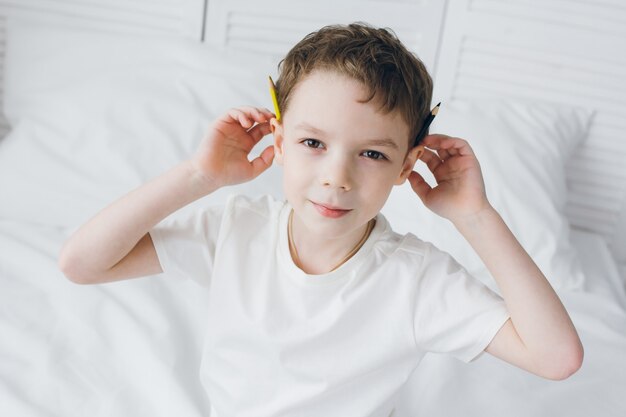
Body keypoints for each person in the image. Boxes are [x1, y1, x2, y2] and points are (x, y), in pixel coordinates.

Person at [59, 22, 583, 416]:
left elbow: (556, 357)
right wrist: (201, 176)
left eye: (372, 154)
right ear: (280, 141)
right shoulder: (236, 230)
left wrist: (476, 215)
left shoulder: (416, 280)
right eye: (313, 143)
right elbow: (82, 263)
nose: (337, 177)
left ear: (406, 165)